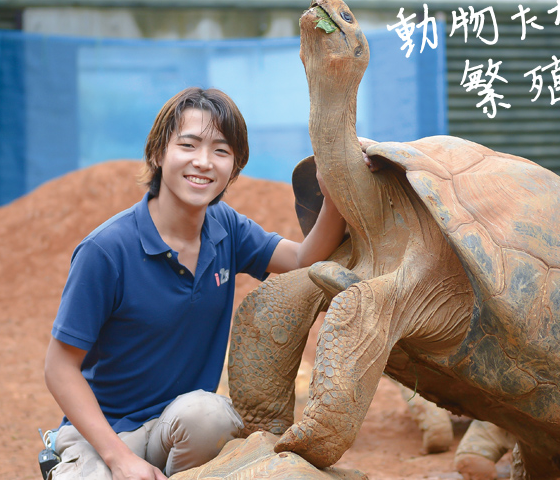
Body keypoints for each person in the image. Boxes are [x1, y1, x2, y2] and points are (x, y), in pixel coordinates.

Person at [43, 87, 347, 480]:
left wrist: (335, 193)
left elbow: (304, 258)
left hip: (178, 427)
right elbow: (59, 368)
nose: (203, 162)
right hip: (103, 434)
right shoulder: (106, 250)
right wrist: (121, 460)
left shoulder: (227, 229)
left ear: (234, 167)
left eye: (221, 151)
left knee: (210, 414)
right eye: (188, 145)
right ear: (158, 153)